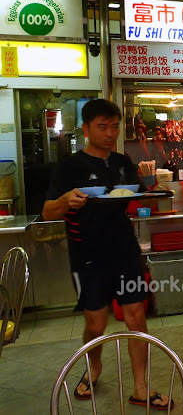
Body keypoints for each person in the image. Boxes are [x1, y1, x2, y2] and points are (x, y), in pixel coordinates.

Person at [42, 99, 172, 410]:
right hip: (88, 254)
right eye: (102, 127)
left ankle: (141, 386)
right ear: (86, 129)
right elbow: (48, 211)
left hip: (124, 250)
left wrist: (151, 187)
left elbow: (138, 192)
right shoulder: (69, 167)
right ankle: (94, 367)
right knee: (96, 324)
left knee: (137, 317)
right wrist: (64, 202)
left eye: (114, 126)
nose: (109, 133)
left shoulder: (122, 161)